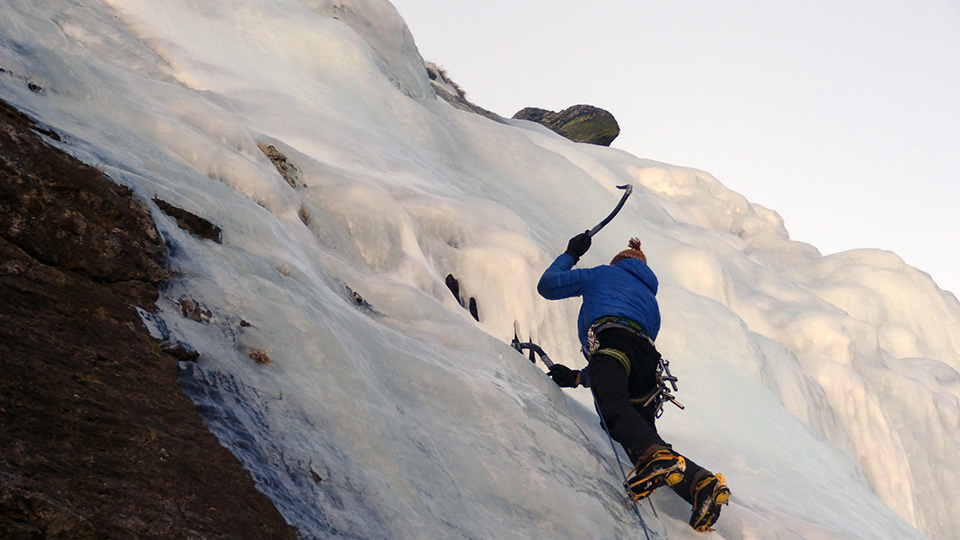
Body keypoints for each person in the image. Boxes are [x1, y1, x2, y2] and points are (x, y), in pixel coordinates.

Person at [537, 232, 730, 532]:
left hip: (610, 340)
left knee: (617, 414)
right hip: (648, 365)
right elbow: (621, 368)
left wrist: (571, 253)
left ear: (617, 263)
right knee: (638, 436)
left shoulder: (603, 274)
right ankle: (701, 484)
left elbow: (548, 286)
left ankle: (659, 459)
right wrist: (577, 377)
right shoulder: (651, 304)